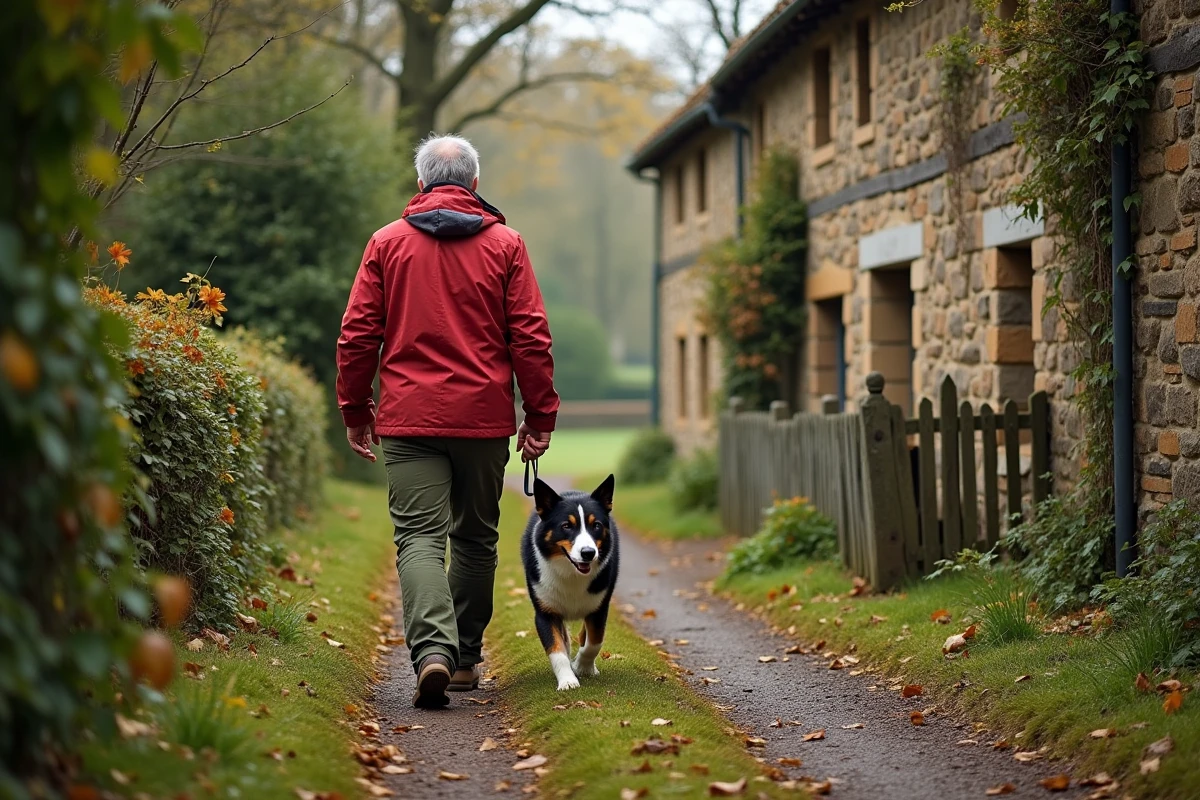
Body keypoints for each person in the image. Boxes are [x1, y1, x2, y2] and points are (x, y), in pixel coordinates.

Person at [336, 134, 558, 708]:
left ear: (421, 185)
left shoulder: (386, 244)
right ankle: (461, 660)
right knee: (476, 538)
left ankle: (431, 652)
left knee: (418, 537)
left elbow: (358, 334)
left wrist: (356, 410)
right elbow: (530, 335)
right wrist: (540, 416)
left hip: (408, 419)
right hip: (482, 421)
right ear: (475, 185)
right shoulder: (506, 245)